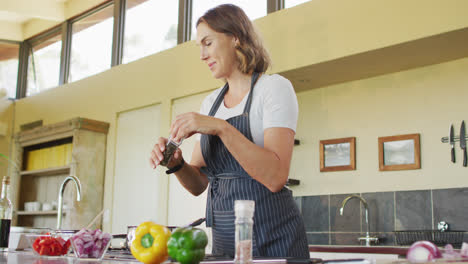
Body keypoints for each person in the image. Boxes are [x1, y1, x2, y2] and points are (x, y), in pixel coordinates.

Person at [150, 4, 309, 258]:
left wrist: (221, 128)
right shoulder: (210, 104)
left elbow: (276, 176)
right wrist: (177, 163)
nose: (202, 55)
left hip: (275, 239)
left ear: (235, 37)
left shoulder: (273, 89)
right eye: (199, 46)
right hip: (225, 240)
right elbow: (199, 183)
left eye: (208, 43)